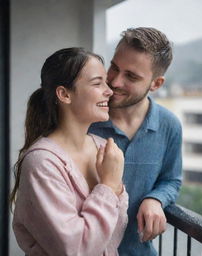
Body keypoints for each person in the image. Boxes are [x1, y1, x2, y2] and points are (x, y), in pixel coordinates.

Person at [10, 47, 128, 256]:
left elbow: (113, 237)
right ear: (64, 94)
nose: (109, 91)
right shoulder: (42, 162)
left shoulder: (104, 149)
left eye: (106, 82)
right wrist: (109, 186)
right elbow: (76, 250)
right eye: (97, 83)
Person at [89, 27, 182, 255]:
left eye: (131, 76)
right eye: (114, 68)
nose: (115, 81)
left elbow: (172, 180)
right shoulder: (86, 118)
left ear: (156, 84)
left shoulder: (170, 125)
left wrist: (155, 199)